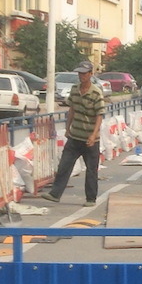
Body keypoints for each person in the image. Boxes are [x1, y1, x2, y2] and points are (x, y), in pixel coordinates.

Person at [44, 58, 105, 205]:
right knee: (64, 165)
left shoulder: (96, 93)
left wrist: (93, 135)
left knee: (91, 170)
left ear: (90, 74)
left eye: (84, 73)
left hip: (90, 140)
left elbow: (99, 115)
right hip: (75, 137)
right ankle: (55, 193)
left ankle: (91, 198)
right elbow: (71, 110)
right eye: (80, 73)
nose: (81, 76)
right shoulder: (75, 90)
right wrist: (67, 128)